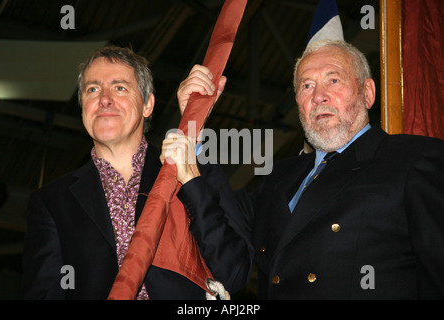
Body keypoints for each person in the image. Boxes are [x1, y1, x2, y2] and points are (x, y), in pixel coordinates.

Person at [164, 40, 444, 299]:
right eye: (306, 86)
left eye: (333, 80)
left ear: (367, 93)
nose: (319, 95)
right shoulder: (279, 178)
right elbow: (221, 235)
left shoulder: (413, 158)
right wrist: (194, 124)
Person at [22, 45, 252, 299]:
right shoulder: (52, 201)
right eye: (92, 89)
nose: (104, 99)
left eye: (119, 87)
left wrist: (192, 182)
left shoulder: (197, 173)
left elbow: (234, 273)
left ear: (147, 105)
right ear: (83, 107)